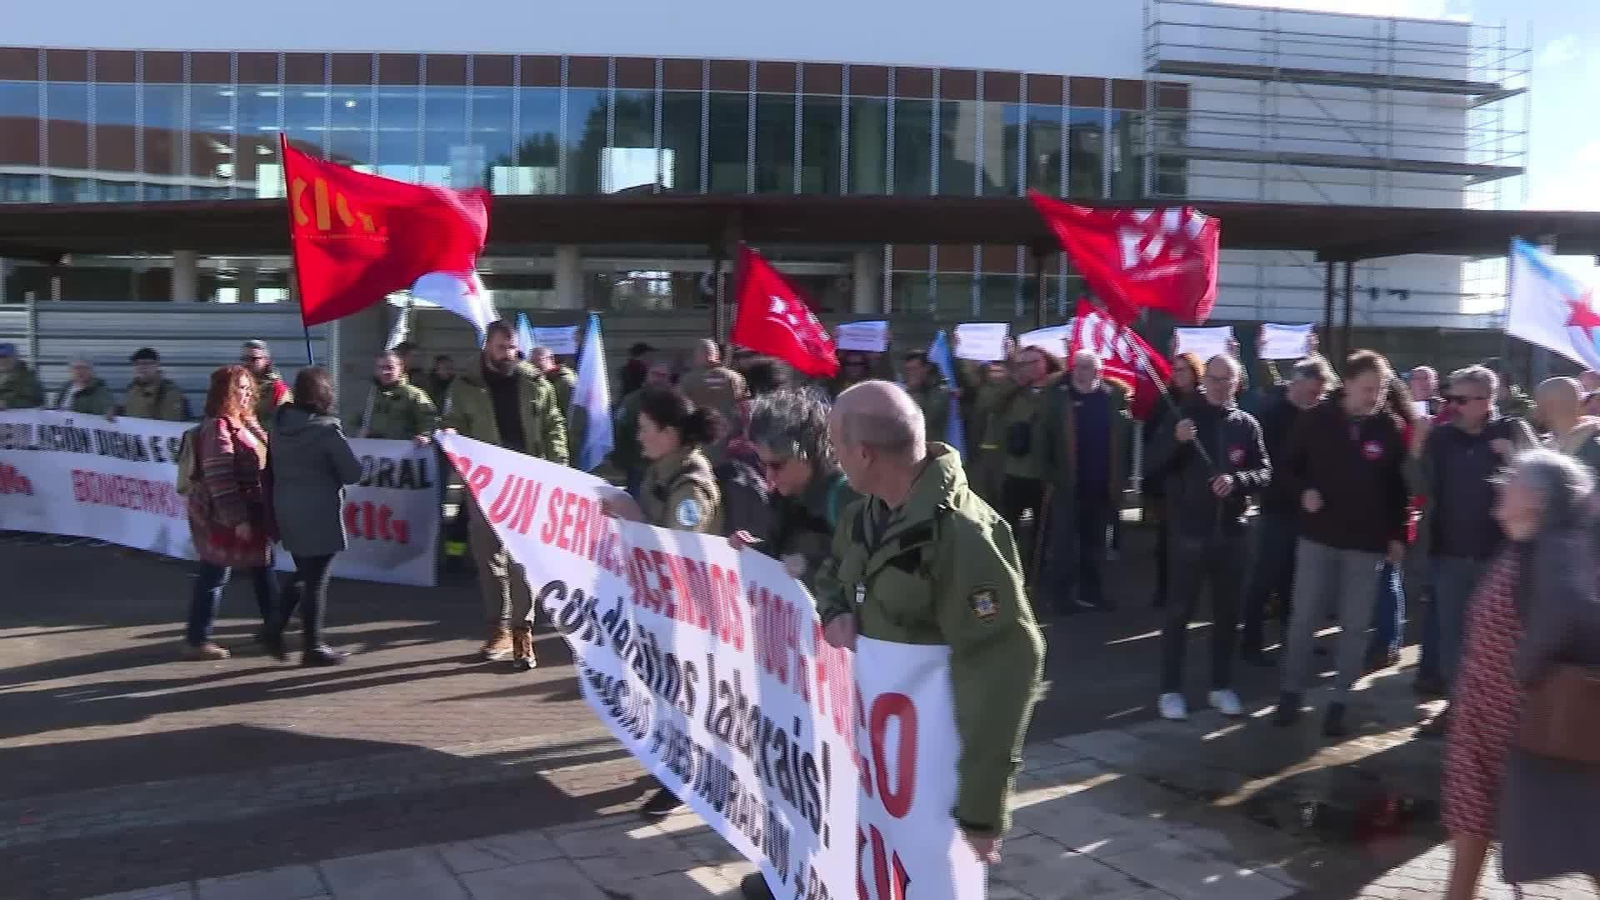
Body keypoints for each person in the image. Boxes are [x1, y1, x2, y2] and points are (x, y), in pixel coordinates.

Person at [812, 381, 1044, 869]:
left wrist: (981, 813)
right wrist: (834, 612)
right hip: (874, 757)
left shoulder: (962, 534)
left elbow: (1004, 669)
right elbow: (832, 573)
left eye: (837, 446)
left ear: (866, 454)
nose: (834, 459)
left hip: (930, 774)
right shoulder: (863, 514)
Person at [1441, 449, 1600, 899]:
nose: (1501, 483)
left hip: (1524, 725)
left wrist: (1523, 672)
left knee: (1582, 840)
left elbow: (1569, 617)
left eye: (1513, 478)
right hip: (1488, 723)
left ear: (1537, 497)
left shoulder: (1555, 547)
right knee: (1472, 826)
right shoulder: (1526, 543)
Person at [599, 386, 724, 821]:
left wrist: (633, 519)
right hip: (663, 607)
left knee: (681, 696)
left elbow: (680, 549)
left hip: (689, 613)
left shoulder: (690, 484)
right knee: (663, 690)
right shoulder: (662, 471)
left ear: (670, 434)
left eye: (645, 430)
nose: (640, 438)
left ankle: (680, 781)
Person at [1274, 350, 1410, 737]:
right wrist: (1303, 492)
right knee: (1305, 618)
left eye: (1381, 389)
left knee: (1354, 624)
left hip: (1366, 543)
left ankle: (1339, 700)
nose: (1375, 396)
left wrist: (1397, 535)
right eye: (1368, 388)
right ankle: (1291, 692)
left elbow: (1396, 489)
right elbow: (1286, 467)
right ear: (1347, 384)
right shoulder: (1315, 420)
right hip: (1319, 535)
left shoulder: (1389, 428)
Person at [1409, 365, 1537, 734]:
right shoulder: (1442, 437)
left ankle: (1500, 713)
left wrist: (1513, 457)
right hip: (1450, 554)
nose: (1452, 405)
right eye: (1451, 398)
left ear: (1486, 400)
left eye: (1461, 400)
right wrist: (1417, 447)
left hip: (1501, 558)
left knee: (1499, 638)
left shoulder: (1512, 431)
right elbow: (1416, 485)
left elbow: (1544, 485)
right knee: (1452, 635)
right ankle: (1457, 707)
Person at [1145, 354, 1269, 720]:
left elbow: (1264, 471)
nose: (1220, 386)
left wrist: (1238, 481)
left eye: (1227, 381)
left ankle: (1221, 685)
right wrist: (1174, 440)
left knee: (1228, 615)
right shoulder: (1182, 417)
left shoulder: (1246, 425)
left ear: (1236, 383)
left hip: (1232, 532)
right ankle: (1170, 690)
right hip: (1189, 532)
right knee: (1179, 613)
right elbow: (1151, 465)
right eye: (1214, 379)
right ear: (1204, 381)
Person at [440, 320, 569, 670]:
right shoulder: (465, 385)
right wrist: (449, 433)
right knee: (488, 558)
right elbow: (453, 423)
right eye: (501, 348)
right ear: (486, 347)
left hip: (527, 484)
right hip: (485, 486)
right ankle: (497, 626)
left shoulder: (534, 382)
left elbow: (553, 424)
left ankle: (522, 632)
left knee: (521, 560)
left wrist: (558, 465)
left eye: (512, 348)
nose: (508, 354)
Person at [261, 367, 363, 667]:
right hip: (319, 511)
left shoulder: (278, 424)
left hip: (287, 507)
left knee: (304, 573)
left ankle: (274, 628)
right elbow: (352, 472)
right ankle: (312, 645)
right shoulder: (325, 431)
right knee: (315, 581)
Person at [1240, 355, 1332, 665]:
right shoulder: (1272, 414)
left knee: (1298, 579)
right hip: (1278, 506)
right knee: (1265, 576)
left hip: (1309, 510)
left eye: (1320, 393)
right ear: (1297, 382)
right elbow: (1272, 465)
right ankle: (1250, 642)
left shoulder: (1319, 415)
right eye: (1312, 391)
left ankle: (1296, 638)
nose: (1315, 398)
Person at [182, 365, 276, 661]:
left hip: (253, 510)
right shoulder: (219, 427)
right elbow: (220, 478)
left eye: (249, 388)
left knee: (262, 567)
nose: (246, 394)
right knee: (215, 573)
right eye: (239, 389)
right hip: (225, 515)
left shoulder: (247, 421)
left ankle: (274, 626)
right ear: (224, 393)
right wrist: (238, 520)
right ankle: (197, 640)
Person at [1036, 350, 1131, 614]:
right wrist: (1049, 476)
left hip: (1102, 487)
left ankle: (1092, 594)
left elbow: (1125, 443)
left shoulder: (1114, 398)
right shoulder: (1058, 398)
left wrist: (1121, 480)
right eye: (1077, 366)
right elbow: (1042, 440)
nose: (1081, 371)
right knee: (1063, 546)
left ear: (1099, 370)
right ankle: (1060, 599)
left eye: (1087, 366)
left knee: (1095, 545)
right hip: (1067, 486)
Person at [964, 344, 1059, 574]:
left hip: (1045, 471)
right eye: (1023, 363)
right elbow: (987, 405)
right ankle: (1007, 571)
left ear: (1047, 363)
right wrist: (1015, 382)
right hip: (1014, 470)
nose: (1029, 368)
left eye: (1034, 362)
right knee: (1007, 526)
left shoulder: (1057, 390)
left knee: (1043, 531)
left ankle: (1038, 572)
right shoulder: (1011, 390)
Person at [1366, 377, 1419, 672]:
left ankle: (1387, 643)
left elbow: (1400, 483)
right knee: (1387, 580)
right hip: (1390, 516)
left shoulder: (1397, 430)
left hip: (1391, 517)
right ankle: (1388, 640)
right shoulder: (1402, 427)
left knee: (1387, 580)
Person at [1144, 351, 1203, 608]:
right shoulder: (1165, 401)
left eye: (1183, 370)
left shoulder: (1203, 400)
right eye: (1175, 369)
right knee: (1166, 540)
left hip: (1197, 480)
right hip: (1168, 480)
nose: (1178, 375)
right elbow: (1149, 436)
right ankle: (1163, 590)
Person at [611, 357, 675, 495]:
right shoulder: (632, 401)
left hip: (669, 469)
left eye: (663, 376)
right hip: (638, 467)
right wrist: (622, 460)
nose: (658, 379)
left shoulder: (677, 402)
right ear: (647, 377)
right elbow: (620, 431)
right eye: (655, 374)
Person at [349, 350, 437, 442]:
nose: (385, 372)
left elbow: (430, 421)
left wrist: (425, 436)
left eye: (390, 367)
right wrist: (357, 432)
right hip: (371, 450)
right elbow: (352, 422)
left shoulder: (414, 394)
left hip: (404, 451)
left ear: (400, 368)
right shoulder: (368, 394)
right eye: (381, 368)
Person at [1536, 376, 1600, 472]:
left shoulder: (1594, 449)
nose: (1536, 410)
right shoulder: (1548, 447)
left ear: (1547, 406)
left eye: (1537, 403)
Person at [118, 347, 188, 421]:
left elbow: (170, 426)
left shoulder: (169, 392)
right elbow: (124, 411)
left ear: (157, 365)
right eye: (137, 364)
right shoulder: (131, 388)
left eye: (145, 363)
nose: (141, 367)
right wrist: (114, 412)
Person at [901, 349, 952, 443]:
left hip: (930, 446)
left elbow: (926, 419)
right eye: (908, 369)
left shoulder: (940, 391)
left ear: (926, 368)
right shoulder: (906, 388)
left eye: (914, 369)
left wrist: (915, 390)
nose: (911, 373)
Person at [240, 339, 291, 423]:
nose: (248, 363)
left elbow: (284, 423)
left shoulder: (277, 389)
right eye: (245, 359)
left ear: (266, 361)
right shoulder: (234, 386)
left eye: (254, 359)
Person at [0, 342, 44, 410]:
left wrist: (7, 403)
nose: (3, 360)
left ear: (16, 357)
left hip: (20, 419)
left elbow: (35, 401)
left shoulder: (27, 377)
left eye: (6, 357)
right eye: (1, 357)